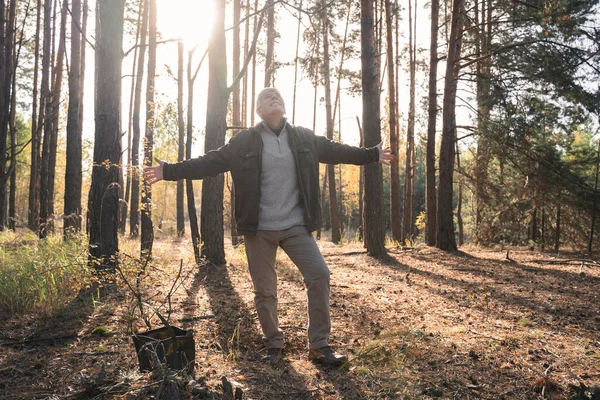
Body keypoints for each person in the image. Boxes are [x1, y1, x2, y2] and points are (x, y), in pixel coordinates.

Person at [144, 87, 392, 366]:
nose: (274, 97)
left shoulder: (303, 137)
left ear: (283, 106)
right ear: (259, 111)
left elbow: (338, 151)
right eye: (266, 97)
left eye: (278, 95)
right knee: (265, 290)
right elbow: (209, 163)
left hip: (296, 225)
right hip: (258, 228)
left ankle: (319, 346)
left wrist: (372, 154)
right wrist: (169, 171)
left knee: (319, 275)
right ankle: (274, 343)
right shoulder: (244, 142)